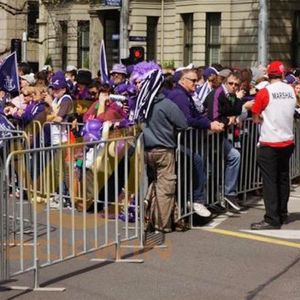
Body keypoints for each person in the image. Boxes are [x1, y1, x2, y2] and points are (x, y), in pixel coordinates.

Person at [137, 68, 188, 232]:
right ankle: (161, 224)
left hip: (146, 151)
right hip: (164, 150)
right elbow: (183, 124)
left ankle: (148, 216)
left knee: (152, 184)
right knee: (165, 188)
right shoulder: (166, 104)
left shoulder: (142, 105)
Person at [168, 68, 224, 217]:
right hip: (175, 141)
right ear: (182, 81)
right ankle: (196, 199)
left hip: (187, 140)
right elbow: (186, 120)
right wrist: (209, 125)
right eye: (192, 81)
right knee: (197, 162)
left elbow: (197, 115)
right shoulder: (179, 96)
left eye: (196, 80)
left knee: (199, 164)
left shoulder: (187, 95)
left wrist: (210, 122)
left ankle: (195, 200)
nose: (196, 84)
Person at [250, 61, 296, 230]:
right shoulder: (290, 90)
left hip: (270, 141)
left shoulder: (265, 92)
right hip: (287, 140)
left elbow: (255, 116)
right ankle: (282, 213)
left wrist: (261, 118)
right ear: (283, 74)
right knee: (283, 178)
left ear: (269, 75)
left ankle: (271, 218)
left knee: (270, 181)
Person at [204, 72, 245, 212]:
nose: (233, 87)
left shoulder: (231, 95)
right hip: (208, 135)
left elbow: (236, 110)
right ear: (225, 82)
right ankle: (208, 200)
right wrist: (230, 120)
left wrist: (237, 103)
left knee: (233, 157)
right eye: (231, 83)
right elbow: (213, 116)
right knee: (210, 168)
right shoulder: (218, 93)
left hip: (219, 135)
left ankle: (228, 194)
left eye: (236, 85)